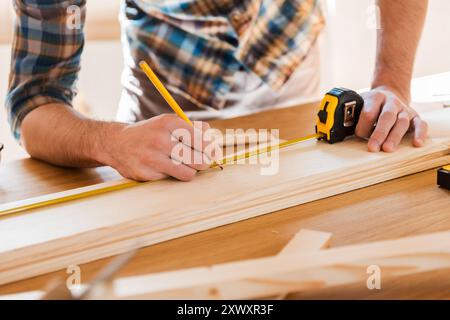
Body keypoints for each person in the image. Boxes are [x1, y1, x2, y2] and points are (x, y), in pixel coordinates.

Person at [6, 0, 429, 182]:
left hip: (294, 110)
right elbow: (34, 101)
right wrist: (110, 141)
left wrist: (391, 81)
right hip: (156, 136)